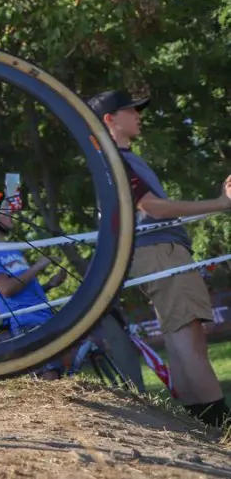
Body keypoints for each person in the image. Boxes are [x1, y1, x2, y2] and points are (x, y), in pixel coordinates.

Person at [88, 88, 231, 427]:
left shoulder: (117, 158)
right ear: (110, 119)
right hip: (160, 252)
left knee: (180, 339)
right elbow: (153, 208)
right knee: (189, 341)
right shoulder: (116, 160)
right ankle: (222, 426)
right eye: (131, 110)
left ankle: (202, 425)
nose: (139, 115)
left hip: (155, 253)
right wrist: (223, 203)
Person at [0, 201, 69, 379]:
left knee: (58, 373)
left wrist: (50, 285)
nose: (13, 217)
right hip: (25, 322)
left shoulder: (11, 248)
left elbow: (23, 290)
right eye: (6, 213)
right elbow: (6, 289)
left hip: (43, 317)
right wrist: (37, 266)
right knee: (48, 376)